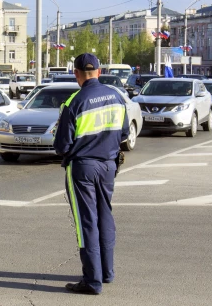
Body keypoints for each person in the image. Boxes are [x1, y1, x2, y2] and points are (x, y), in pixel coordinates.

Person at [53, 53, 129, 295]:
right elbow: (125, 133)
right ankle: (107, 273)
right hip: (108, 166)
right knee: (105, 217)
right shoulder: (117, 96)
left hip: (82, 167)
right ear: (99, 71)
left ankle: (91, 281)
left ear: (76, 74)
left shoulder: (74, 101)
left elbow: (61, 146)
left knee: (86, 222)